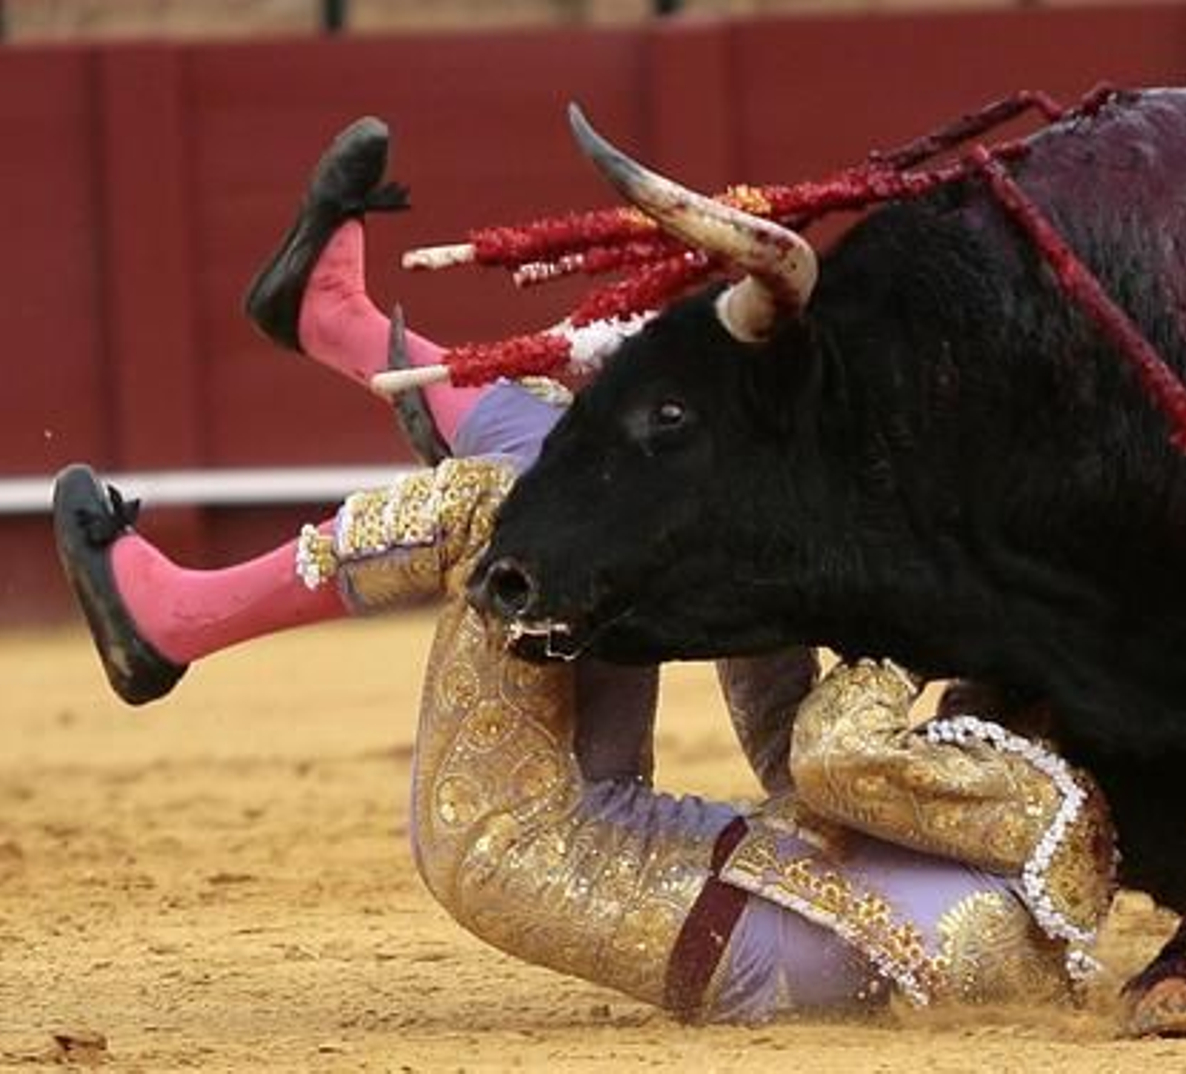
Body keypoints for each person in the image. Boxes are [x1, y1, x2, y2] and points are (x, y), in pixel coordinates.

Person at [52, 118, 1117, 1021]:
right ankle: (339, 327)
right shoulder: (1040, 879)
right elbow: (796, 759)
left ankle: (174, 620)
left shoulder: (1050, 816)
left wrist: (904, 618)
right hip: (602, 826)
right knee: (603, 497)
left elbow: (833, 750)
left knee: (505, 511)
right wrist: (777, 546)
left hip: (528, 837)